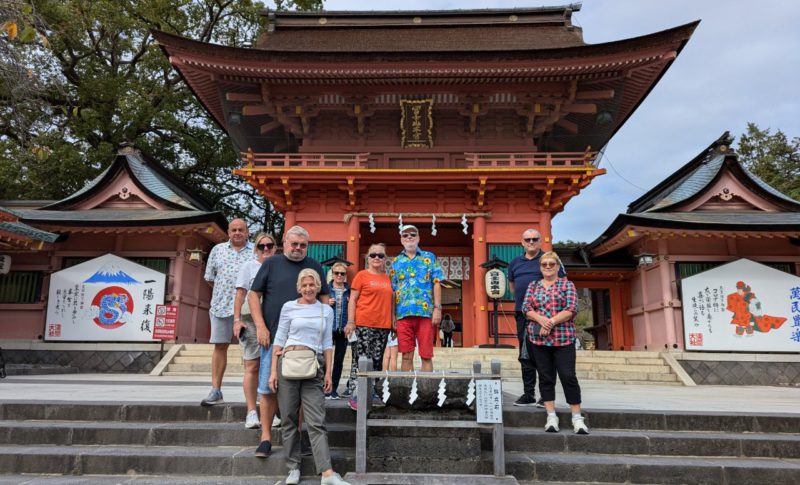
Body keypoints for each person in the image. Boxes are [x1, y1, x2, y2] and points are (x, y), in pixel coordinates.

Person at [248, 225, 329, 457]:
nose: (298, 248)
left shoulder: (314, 266)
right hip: (273, 338)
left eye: (303, 245)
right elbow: (254, 294)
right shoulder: (271, 263)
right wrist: (260, 326)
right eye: (294, 244)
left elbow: (324, 297)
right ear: (285, 242)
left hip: (305, 343)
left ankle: (298, 436)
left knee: (301, 390)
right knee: (267, 388)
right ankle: (265, 437)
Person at [268, 269, 350, 485]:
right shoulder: (289, 307)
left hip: (314, 366)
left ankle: (327, 473)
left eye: (312, 285)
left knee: (316, 421)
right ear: (299, 287)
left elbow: (327, 344)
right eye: (304, 285)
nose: (308, 289)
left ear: (318, 287)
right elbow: (279, 337)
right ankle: (293, 468)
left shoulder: (326, 310)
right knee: (288, 419)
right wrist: (273, 372)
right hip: (288, 365)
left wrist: (330, 374)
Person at [521, 251, 588, 435]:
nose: (548, 267)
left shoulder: (567, 285)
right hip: (539, 340)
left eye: (552, 264)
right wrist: (542, 320)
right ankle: (551, 415)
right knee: (545, 377)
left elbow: (571, 308)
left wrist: (549, 322)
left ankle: (577, 417)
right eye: (544, 264)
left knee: (568, 376)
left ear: (558, 266)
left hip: (563, 338)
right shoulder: (533, 286)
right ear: (540, 267)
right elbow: (526, 308)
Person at [507, 228, 563, 408]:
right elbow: (513, 287)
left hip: (545, 315)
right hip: (523, 314)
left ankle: (546, 395)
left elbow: (562, 284)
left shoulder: (548, 261)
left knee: (545, 354)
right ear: (522, 242)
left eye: (534, 239)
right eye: (527, 239)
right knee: (525, 354)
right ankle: (528, 393)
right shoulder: (515, 262)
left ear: (540, 241)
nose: (531, 242)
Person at [201, 218, 253, 406]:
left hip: (248, 309)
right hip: (221, 306)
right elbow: (210, 278)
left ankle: (253, 395)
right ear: (228, 232)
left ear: (247, 232)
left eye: (241, 229)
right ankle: (215, 390)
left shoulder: (255, 252)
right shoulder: (218, 250)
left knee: (250, 351)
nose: (237, 233)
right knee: (220, 346)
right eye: (234, 230)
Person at [233, 232, 277, 428]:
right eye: (261, 246)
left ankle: (271, 411)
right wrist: (236, 320)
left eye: (269, 245)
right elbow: (241, 293)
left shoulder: (279, 265)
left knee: (273, 367)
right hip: (251, 320)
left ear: (275, 247)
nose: (266, 249)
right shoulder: (249, 266)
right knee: (253, 365)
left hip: (274, 320)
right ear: (256, 249)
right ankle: (251, 410)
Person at [344, 243, 394, 410]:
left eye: (380, 255)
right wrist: (351, 321)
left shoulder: (388, 278)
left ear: (385, 258)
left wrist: (393, 320)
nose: (377, 258)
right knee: (361, 359)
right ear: (368, 257)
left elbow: (392, 301)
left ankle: (372, 391)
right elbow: (352, 300)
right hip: (363, 323)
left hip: (383, 325)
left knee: (378, 361)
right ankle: (356, 394)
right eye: (373, 255)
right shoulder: (361, 275)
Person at [390, 225, 444, 372]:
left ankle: (426, 392)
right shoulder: (396, 261)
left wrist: (437, 309)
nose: (409, 237)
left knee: (426, 355)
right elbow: (393, 290)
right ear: (401, 240)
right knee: (406, 355)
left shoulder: (429, 257)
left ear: (418, 238)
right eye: (405, 235)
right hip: (402, 314)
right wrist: (392, 315)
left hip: (425, 313)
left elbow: (437, 283)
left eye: (413, 234)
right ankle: (407, 393)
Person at [327, 262, 350, 400]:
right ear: (332, 274)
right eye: (337, 273)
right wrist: (325, 302)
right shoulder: (325, 290)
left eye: (342, 273)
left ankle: (334, 389)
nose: (340, 276)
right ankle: (324, 388)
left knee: (339, 360)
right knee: (324, 359)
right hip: (328, 328)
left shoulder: (350, 291)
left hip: (343, 328)